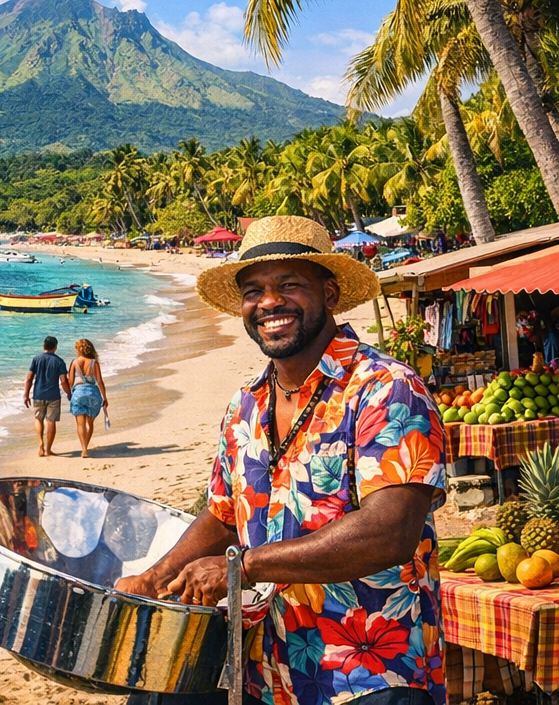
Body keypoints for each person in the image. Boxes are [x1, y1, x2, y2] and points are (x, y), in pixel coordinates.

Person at [113, 215, 445, 705]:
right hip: (270, 672)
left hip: (374, 671)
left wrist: (243, 567)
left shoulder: (385, 388)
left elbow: (389, 532)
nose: (269, 302)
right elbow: (226, 515)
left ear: (329, 294)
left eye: (289, 284)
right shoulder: (245, 404)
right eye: (254, 291)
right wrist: (155, 577)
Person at [22, 336, 70, 456]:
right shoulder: (59, 361)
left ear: (44, 346)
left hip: (38, 394)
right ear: (55, 347)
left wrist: (26, 394)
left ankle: (40, 445)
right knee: (51, 421)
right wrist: (69, 393)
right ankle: (48, 450)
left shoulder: (36, 359)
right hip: (53, 395)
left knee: (38, 419)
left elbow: (29, 378)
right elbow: (63, 381)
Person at [67, 338, 108, 458]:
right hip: (92, 394)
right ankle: (86, 446)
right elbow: (100, 381)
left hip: (78, 394)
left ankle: (84, 449)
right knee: (90, 424)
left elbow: (70, 382)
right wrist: (105, 397)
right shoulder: (94, 363)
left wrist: (69, 394)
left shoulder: (74, 362)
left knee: (80, 424)